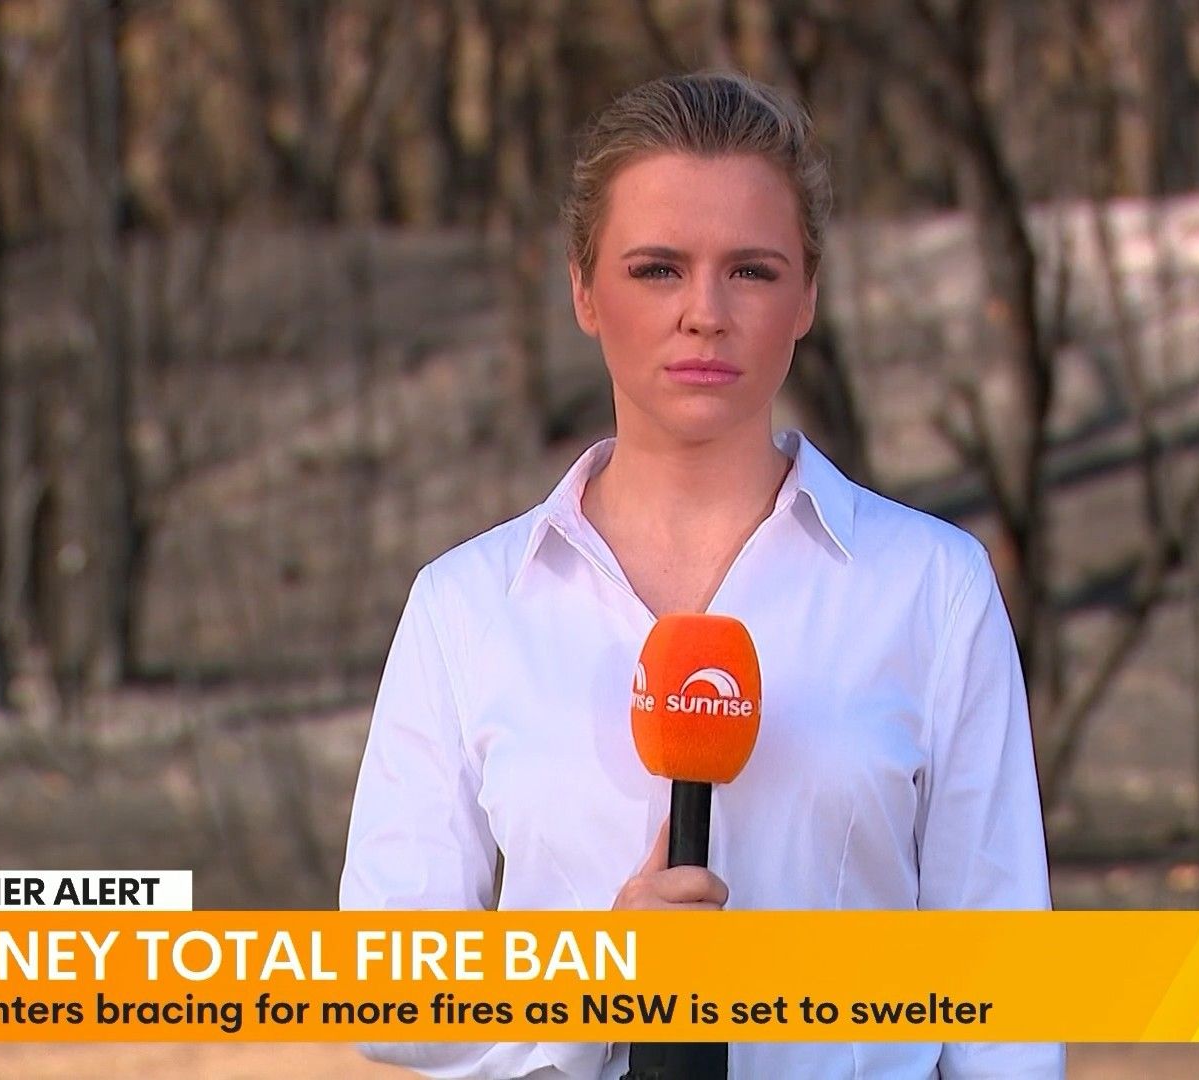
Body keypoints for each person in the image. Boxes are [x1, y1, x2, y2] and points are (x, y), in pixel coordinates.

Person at [340, 71, 1060, 1079]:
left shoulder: (932, 588)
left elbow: (1004, 988)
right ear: (584, 290)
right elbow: (385, 986)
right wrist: (594, 980)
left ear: (808, 295)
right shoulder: (464, 607)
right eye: (658, 269)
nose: (705, 313)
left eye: (752, 271)